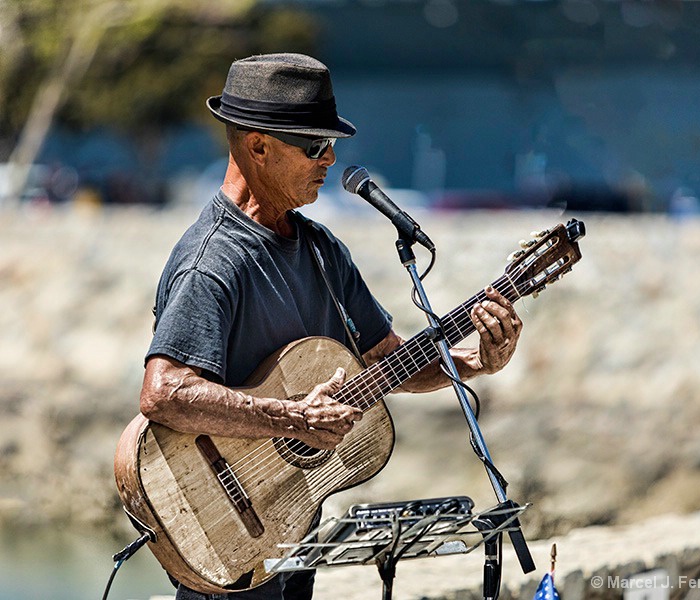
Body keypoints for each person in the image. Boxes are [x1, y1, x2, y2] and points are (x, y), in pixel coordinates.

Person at [139, 53, 523, 600]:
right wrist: (292, 416)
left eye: (332, 143)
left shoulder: (322, 249)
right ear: (258, 146)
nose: (331, 158)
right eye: (315, 145)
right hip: (222, 532)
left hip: (292, 523)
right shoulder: (213, 262)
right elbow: (163, 393)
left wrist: (474, 363)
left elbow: (386, 361)